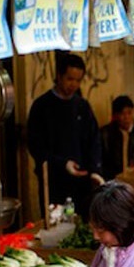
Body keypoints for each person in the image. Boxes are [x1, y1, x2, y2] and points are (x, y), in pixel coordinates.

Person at [27, 52, 104, 219]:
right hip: (54, 184)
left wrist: (95, 171)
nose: (73, 85)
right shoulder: (42, 106)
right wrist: (63, 164)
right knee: (57, 226)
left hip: (82, 184)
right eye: (70, 79)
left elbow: (94, 140)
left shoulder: (82, 106)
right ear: (59, 76)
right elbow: (36, 146)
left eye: (78, 80)